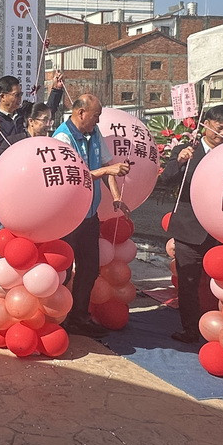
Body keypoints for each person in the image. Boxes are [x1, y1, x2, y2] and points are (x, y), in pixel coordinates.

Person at [160, 105, 223, 345]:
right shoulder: (188, 150)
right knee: (188, 282)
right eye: (219, 127)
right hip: (190, 227)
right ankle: (190, 329)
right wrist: (181, 161)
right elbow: (165, 179)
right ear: (206, 125)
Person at [53, 94, 130, 338]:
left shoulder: (94, 134)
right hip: (69, 217)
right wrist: (108, 169)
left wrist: (116, 196)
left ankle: (79, 316)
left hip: (89, 214)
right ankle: (57, 316)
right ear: (80, 113)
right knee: (63, 270)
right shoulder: (62, 137)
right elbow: (73, 176)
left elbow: (108, 168)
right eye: (95, 115)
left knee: (89, 267)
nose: (97, 121)